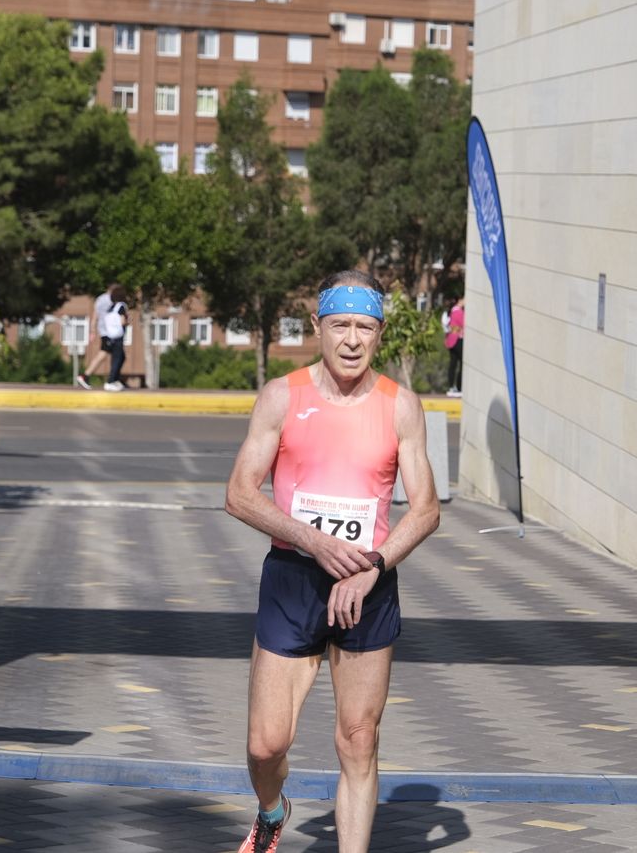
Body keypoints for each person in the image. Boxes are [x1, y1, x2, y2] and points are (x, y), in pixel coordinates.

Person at [224, 270, 440, 853]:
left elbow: (425, 510)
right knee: (266, 745)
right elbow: (240, 493)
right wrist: (315, 542)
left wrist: (373, 562)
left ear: (380, 333)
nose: (351, 339)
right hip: (294, 580)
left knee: (358, 737)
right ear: (317, 326)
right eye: (340, 325)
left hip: (369, 583)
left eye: (364, 328)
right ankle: (272, 810)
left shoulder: (401, 407)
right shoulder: (282, 396)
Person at [75, 283, 125, 390]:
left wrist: (92, 329)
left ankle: (113, 379)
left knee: (114, 355)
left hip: (103, 330)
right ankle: (88, 376)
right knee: (107, 354)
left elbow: (95, 315)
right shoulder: (111, 300)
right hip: (110, 332)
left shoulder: (99, 299)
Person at [444, 298, 464, 397]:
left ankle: (451, 387)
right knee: (461, 364)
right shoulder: (458, 312)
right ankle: (459, 387)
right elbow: (464, 324)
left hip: (451, 340)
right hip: (458, 339)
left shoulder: (450, 312)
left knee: (453, 364)